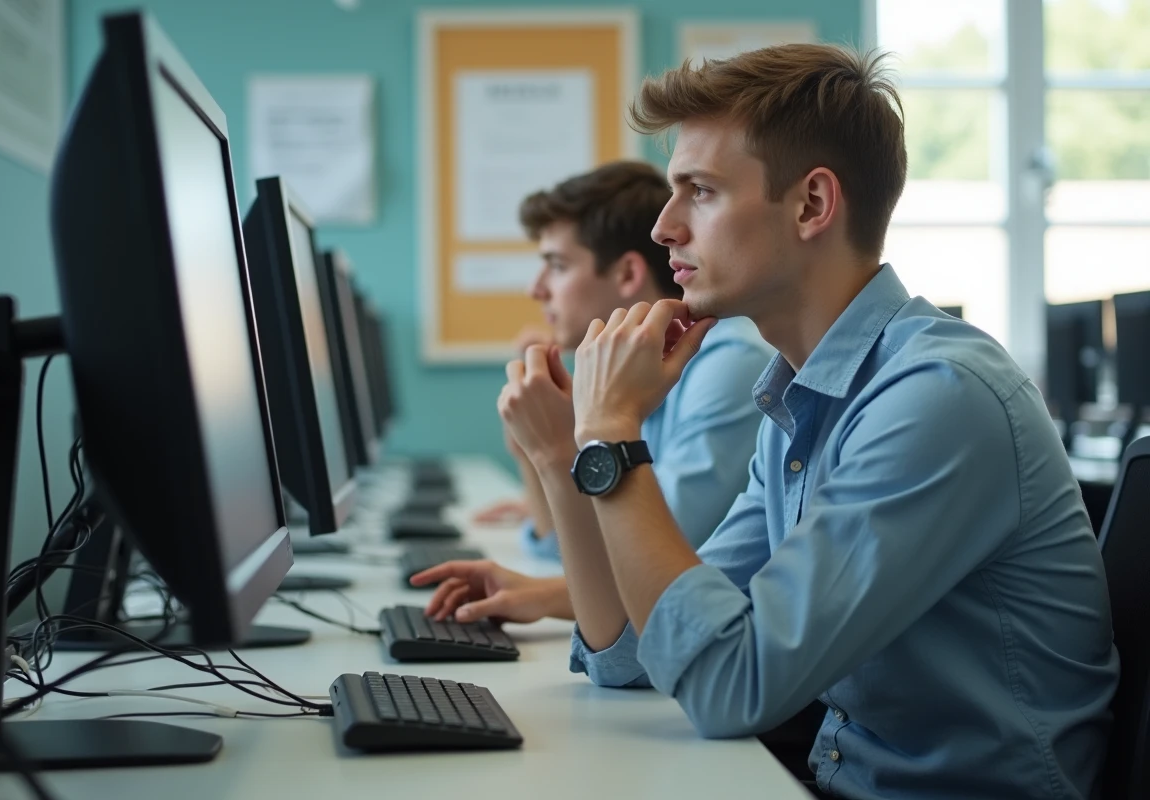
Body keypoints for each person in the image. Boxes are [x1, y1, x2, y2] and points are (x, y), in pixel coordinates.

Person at [439, 45, 1120, 799]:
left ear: (811, 205)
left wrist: (608, 436)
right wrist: (575, 454)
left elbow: (734, 685)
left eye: (699, 191)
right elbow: (630, 655)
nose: (665, 228)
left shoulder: (935, 398)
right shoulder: (796, 400)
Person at [414, 161, 772, 624]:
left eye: (557, 265)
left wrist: (556, 456)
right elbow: (561, 547)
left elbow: (642, 563)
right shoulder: (634, 369)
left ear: (626, 274)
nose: (535, 288)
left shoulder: (730, 366)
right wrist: (532, 450)